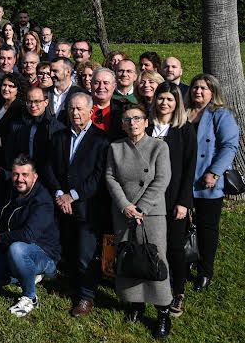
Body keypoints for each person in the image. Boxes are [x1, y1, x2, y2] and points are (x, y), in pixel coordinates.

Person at [40, 92, 110, 318]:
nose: (75, 113)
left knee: (85, 254)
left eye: (80, 109)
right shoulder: (59, 136)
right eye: (71, 108)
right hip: (62, 204)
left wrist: (73, 195)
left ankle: (86, 297)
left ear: (90, 111)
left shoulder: (101, 140)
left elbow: (98, 175)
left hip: (86, 207)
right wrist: (60, 194)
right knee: (68, 248)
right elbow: (49, 167)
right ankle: (70, 285)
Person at [105, 103, 173, 338]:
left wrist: (142, 207)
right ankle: (135, 304)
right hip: (124, 212)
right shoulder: (115, 147)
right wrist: (125, 206)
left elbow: (162, 180)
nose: (132, 123)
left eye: (136, 118)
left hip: (151, 213)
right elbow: (110, 177)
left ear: (146, 121)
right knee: (129, 257)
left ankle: (163, 311)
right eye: (126, 119)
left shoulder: (159, 147)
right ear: (122, 125)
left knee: (154, 258)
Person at [0, 155, 60, 318]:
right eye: (16, 174)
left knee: (17, 248)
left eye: (25, 175)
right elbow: (6, 174)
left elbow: (28, 235)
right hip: (10, 250)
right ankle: (26, 274)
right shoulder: (13, 188)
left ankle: (30, 297)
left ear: (35, 176)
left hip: (43, 253)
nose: (20, 179)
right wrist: (0, 171)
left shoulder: (42, 201)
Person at [186, 74, 240, 293]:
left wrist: (214, 172)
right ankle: (187, 258)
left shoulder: (221, 114)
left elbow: (229, 146)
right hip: (183, 179)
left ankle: (205, 270)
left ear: (212, 92)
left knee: (207, 228)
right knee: (185, 225)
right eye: (195, 87)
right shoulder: (184, 113)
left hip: (206, 181)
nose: (198, 92)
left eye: (203, 88)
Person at [148, 82, 197, 316]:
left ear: (177, 102)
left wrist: (184, 202)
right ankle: (150, 286)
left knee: (175, 246)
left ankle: (178, 291)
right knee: (150, 246)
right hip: (148, 199)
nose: (164, 103)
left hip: (174, 198)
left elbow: (189, 168)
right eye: (161, 98)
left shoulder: (184, 130)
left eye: (169, 99)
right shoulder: (146, 126)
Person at [0, 73, 26, 169]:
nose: (6, 89)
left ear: (18, 89)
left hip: (7, 158)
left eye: (11, 86)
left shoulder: (20, 108)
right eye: (4, 85)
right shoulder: (0, 104)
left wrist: (0, 141)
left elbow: (19, 132)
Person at [47, 57, 83, 124]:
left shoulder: (81, 94)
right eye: (50, 71)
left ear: (68, 72)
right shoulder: (45, 93)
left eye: (55, 71)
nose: (51, 75)